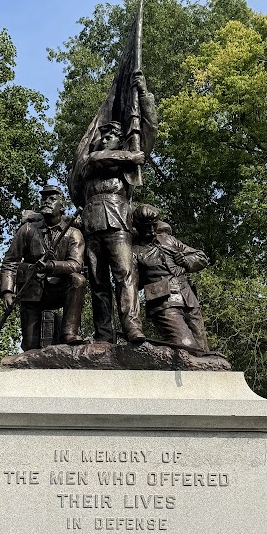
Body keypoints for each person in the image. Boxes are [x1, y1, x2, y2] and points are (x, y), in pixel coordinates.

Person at [80, 72, 157, 344]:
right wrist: (129, 156)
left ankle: (132, 327)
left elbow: (150, 130)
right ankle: (103, 333)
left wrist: (144, 95)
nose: (105, 138)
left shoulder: (127, 167)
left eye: (112, 135)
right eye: (104, 135)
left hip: (118, 222)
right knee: (98, 283)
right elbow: (94, 159)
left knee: (125, 276)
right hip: (92, 225)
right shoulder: (92, 161)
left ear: (120, 139)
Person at [0, 186, 85, 351]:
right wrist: (7, 291)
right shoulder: (27, 230)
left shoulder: (73, 233)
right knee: (30, 347)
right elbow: (11, 261)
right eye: (44, 198)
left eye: (52, 199)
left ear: (63, 206)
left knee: (78, 280)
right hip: (31, 290)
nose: (46, 201)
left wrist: (51, 266)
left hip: (59, 289)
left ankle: (69, 333)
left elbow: (76, 264)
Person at [132, 204, 210, 352]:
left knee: (203, 350)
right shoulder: (134, 252)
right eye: (145, 228)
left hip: (188, 299)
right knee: (187, 346)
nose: (150, 231)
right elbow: (131, 285)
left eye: (153, 226)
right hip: (163, 304)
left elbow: (201, 257)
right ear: (137, 227)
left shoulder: (168, 240)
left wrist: (186, 262)